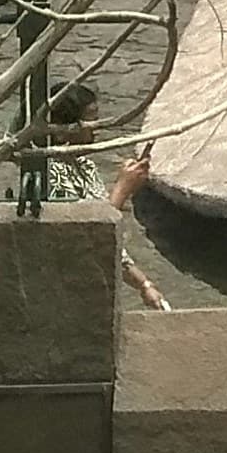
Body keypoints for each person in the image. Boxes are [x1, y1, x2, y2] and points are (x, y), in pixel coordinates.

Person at [42, 83, 171, 307]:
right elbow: (87, 234)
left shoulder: (84, 166)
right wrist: (122, 189)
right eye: (90, 121)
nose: (97, 128)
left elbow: (107, 240)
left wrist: (144, 284)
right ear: (66, 127)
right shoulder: (50, 172)